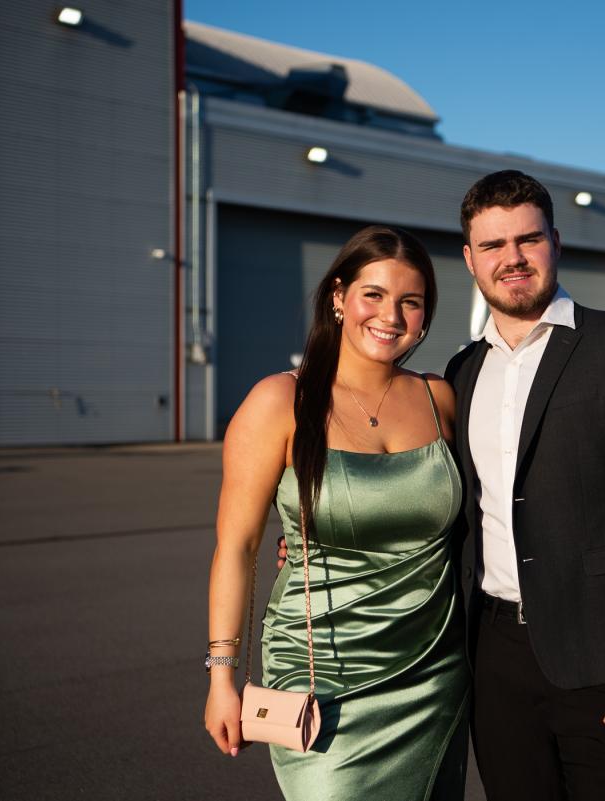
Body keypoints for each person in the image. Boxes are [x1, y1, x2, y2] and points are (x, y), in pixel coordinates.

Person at [445, 170, 605, 801]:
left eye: (527, 239)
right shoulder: (462, 372)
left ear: (555, 242)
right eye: (494, 245)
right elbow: (448, 509)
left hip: (604, 657)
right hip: (495, 657)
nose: (512, 258)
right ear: (470, 259)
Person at [204, 226, 470, 801]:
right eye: (373, 294)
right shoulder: (279, 401)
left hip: (435, 672)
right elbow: (237, 548)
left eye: (410, 301)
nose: (391, 316)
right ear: (338, 297)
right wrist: (222, 676)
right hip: (320, 672)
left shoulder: (439, 398)